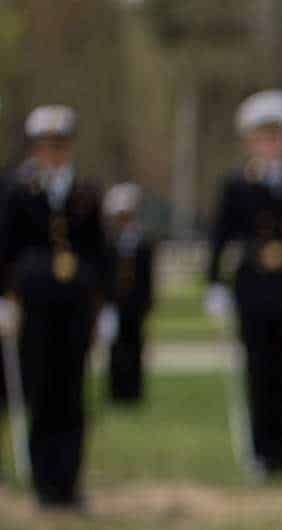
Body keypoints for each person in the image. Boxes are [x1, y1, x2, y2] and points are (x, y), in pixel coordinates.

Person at [0, 105, 116, 509]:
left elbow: (101, 254)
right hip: (35, 307)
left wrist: (108, 307)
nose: (52, 154)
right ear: (35, 149)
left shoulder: (86, 192)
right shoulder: (19, 192)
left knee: (71, 395)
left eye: (59, 146)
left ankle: (69, 482)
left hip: (76, 309)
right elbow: (6, 249)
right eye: (46, 146)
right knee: (40, 392)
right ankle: (43, 483)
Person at [204, 90, 282, 478]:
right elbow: (220, 237)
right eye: (265, 136)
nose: (273, 144)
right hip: (252, 290)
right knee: (256, 370)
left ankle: (281, 451)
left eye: (279, 136)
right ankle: (260, 452)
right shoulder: (237, 185)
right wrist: (215, 286)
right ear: (251, 141)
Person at [103, 183, 156, 405]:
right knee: (116, 348)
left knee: (135, 346)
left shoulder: (143, 241)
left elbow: (148, 275)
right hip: (115, 302)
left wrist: (148, 301)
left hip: (136, 302)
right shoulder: (109, 242)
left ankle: (134, 392)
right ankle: (116, 392)